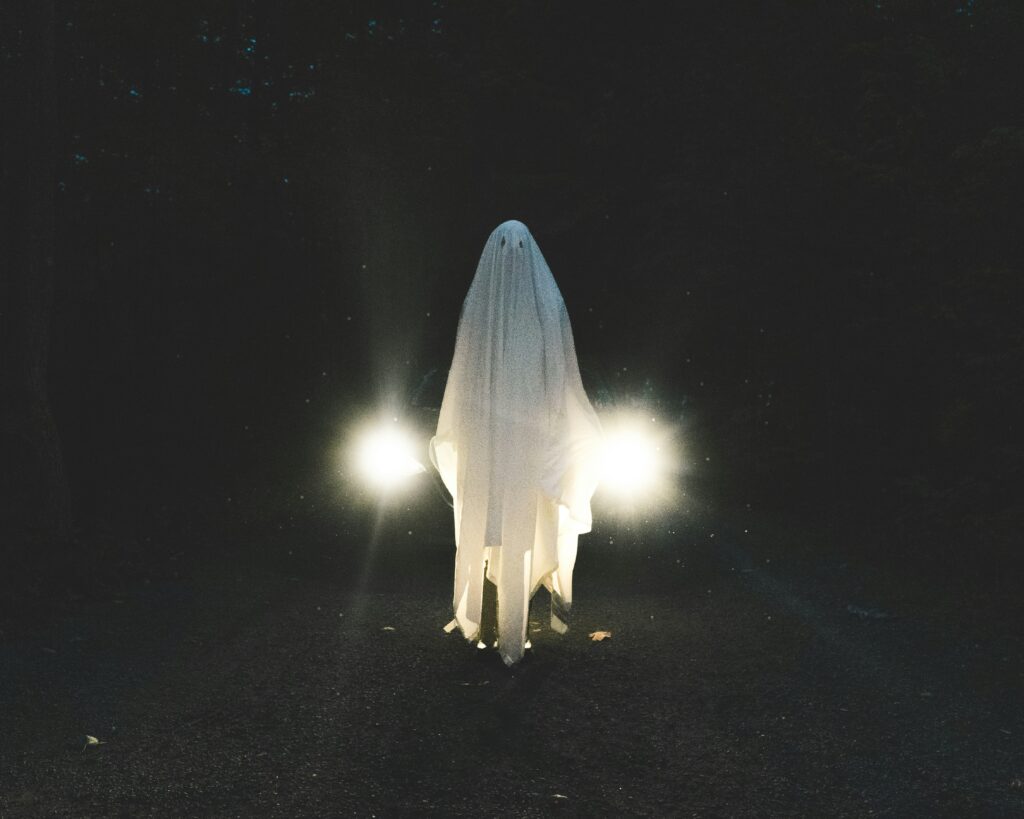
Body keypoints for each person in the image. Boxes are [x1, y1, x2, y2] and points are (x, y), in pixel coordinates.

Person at [429, 220, 603, 666]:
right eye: (504, 246)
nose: (512, 255)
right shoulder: (484, 309)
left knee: (519, 528)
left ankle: (512, 628)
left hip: (524, 440)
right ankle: (493, 625)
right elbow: (464, 375)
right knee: (493, 528)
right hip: (492, 439)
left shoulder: (539, 306)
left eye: (518, 246)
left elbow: (561, 374)